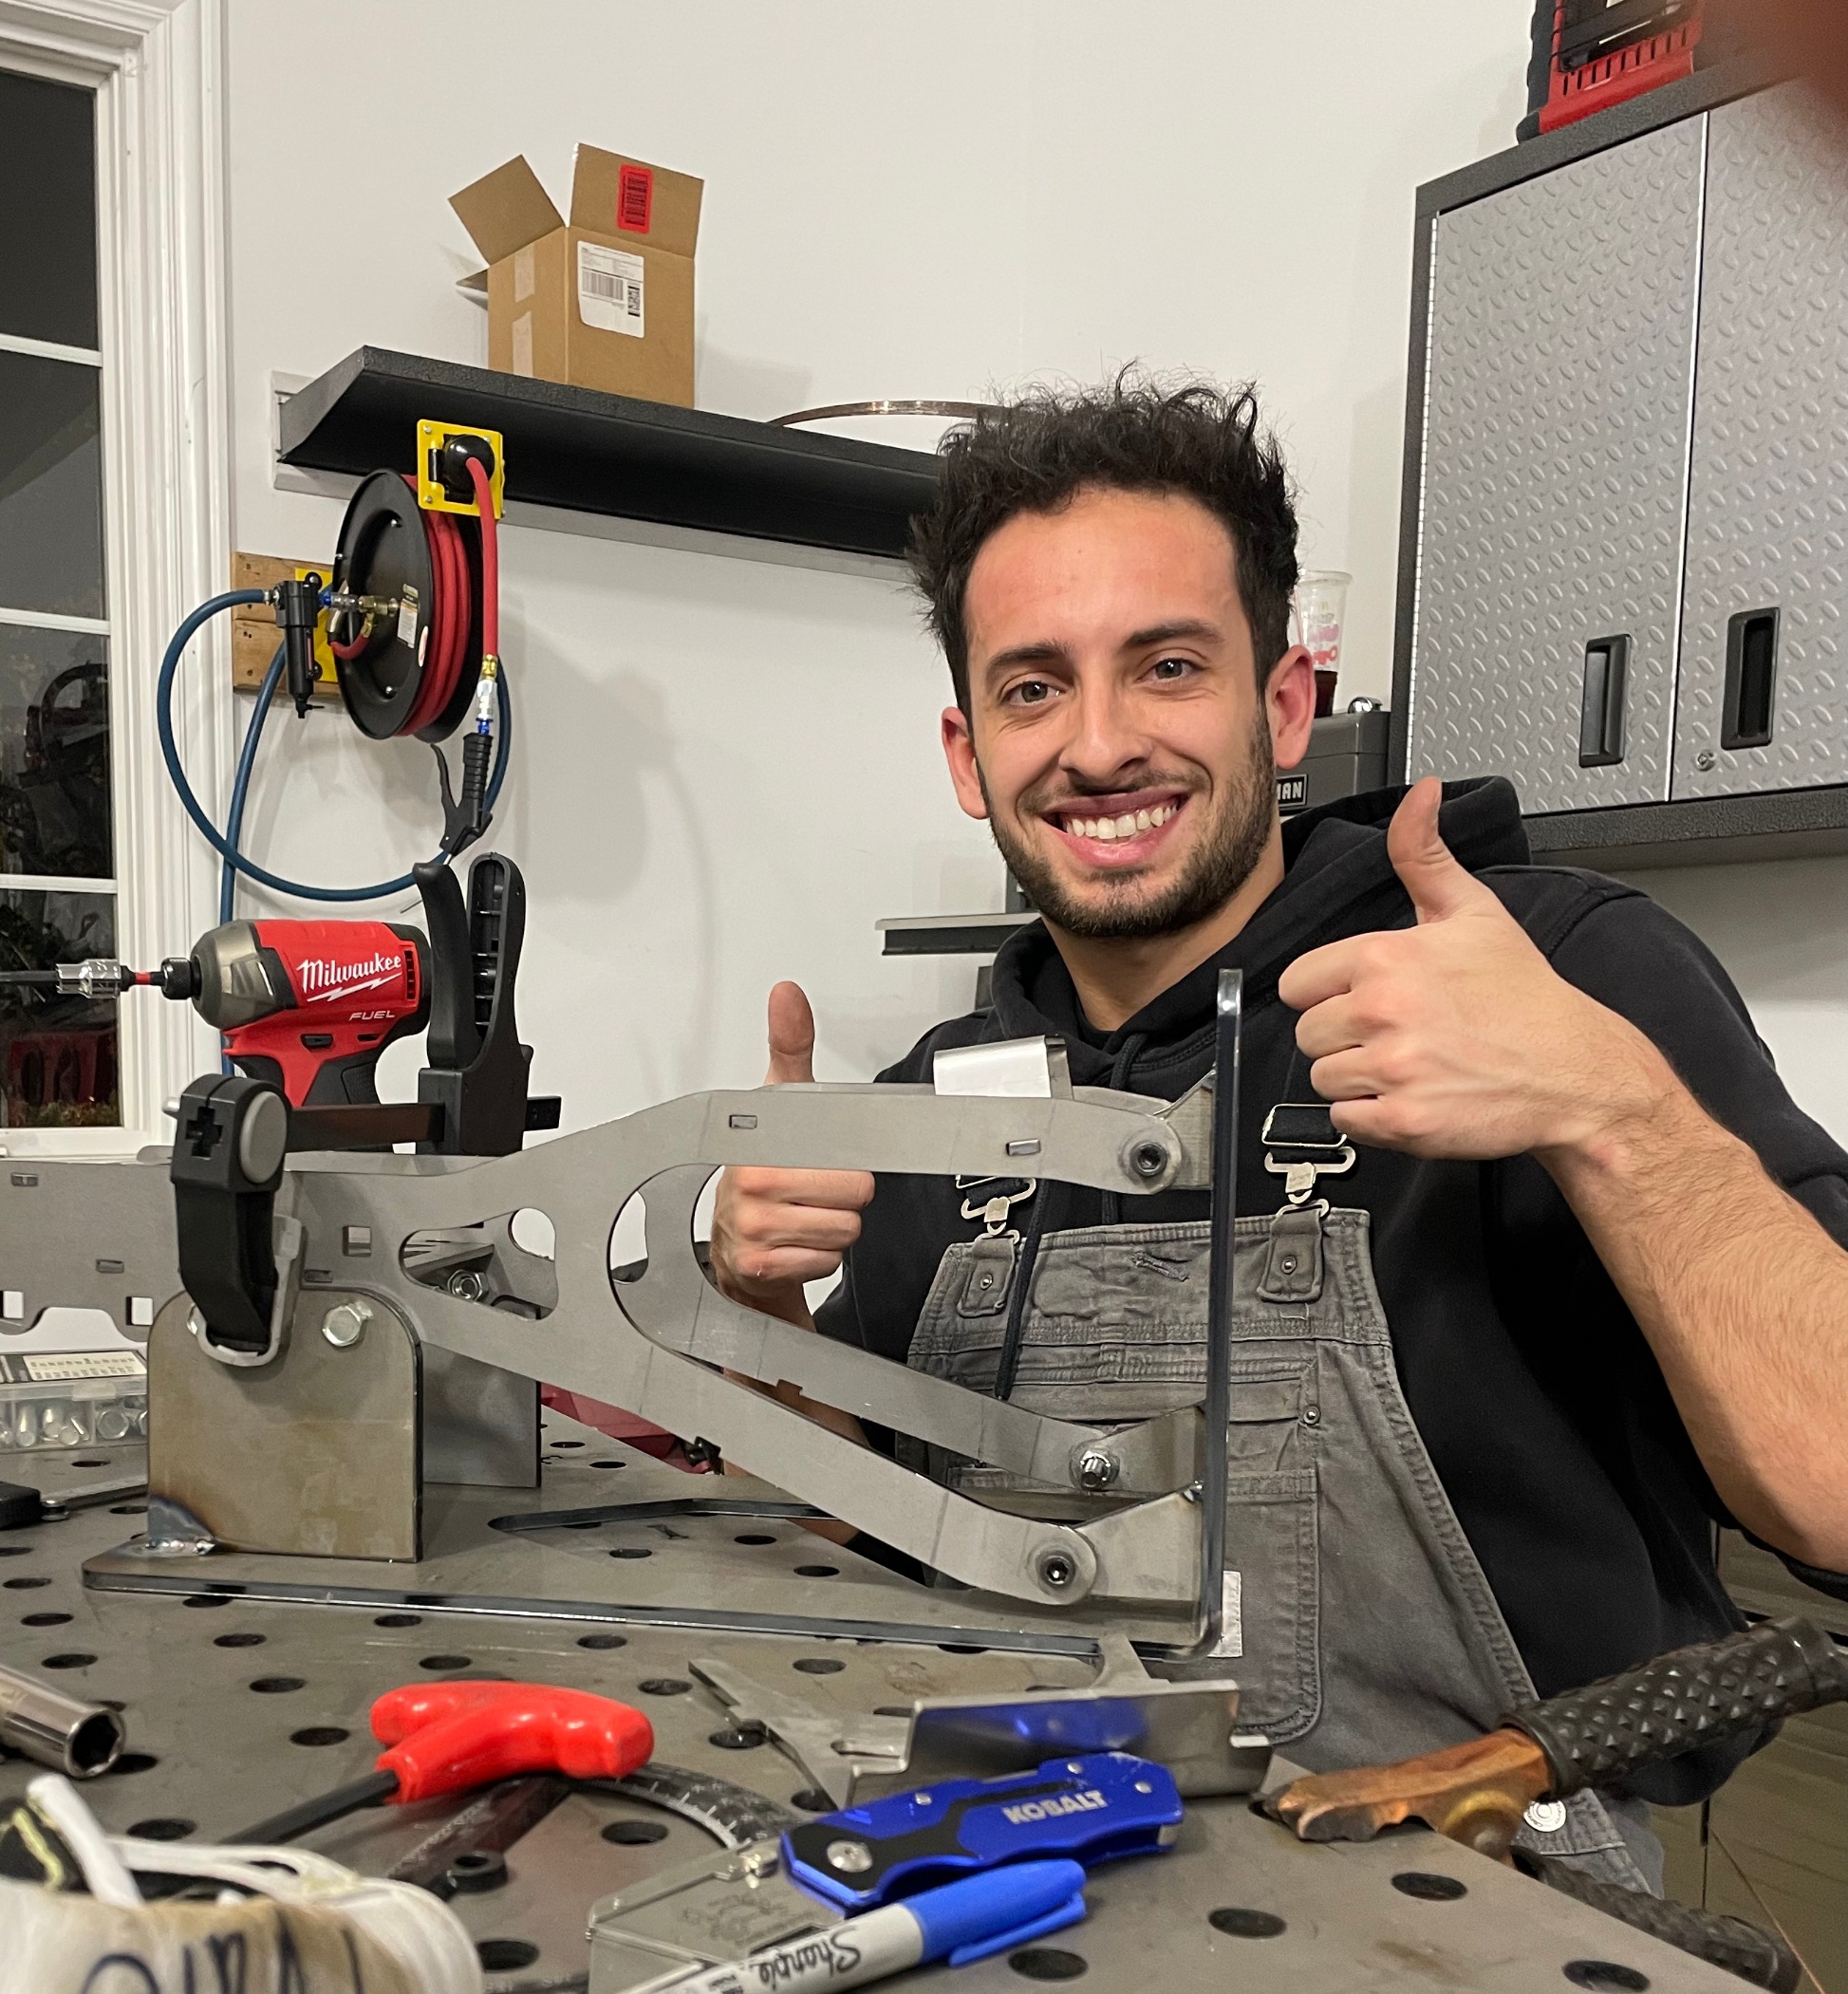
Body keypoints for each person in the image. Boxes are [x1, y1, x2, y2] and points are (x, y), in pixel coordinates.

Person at [707, 376, 1848, 1893]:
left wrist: (1613, 1108)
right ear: (968, 754)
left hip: (1474, 1910)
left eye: (1167, 665)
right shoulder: (933, 1102)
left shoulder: (1548, 975)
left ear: (1283, 702)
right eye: (1033, 687)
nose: (1097, 744)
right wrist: (758, 1318)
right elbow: (861, 1542)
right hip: (1017, 1880)